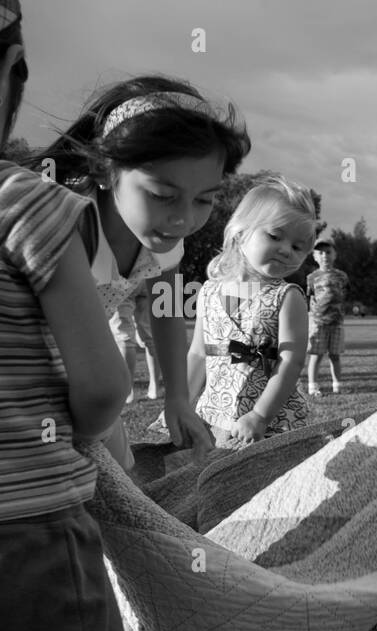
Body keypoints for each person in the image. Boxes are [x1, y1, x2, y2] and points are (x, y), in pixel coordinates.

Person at [0, 0, 141, 631]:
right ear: (14, 81)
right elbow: (100, 387)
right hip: (27, 544)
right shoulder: (27, 203)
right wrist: (85, 434)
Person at [31, 76, 252, 466]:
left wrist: (179, 398)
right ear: (103, 171)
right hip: (29, 382)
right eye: (162, 195)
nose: (184, 219)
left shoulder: (167, 243)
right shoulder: (69, 226)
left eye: (205, 199)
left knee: (124, 480)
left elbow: (166, 311)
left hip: (86, 379)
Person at [188, 175, 313, 446]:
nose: (285, 250)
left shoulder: (287, 297)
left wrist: (260, 415)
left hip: (269, 423)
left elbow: (291, 362)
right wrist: (181, 403)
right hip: (214, 416)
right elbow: (199, 353)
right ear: (241, 232)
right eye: (275, 236)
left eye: (297, 247)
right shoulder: (209, 292)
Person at [305, 237, 348, 395]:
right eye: (320, 253)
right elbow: (310, 298)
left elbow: (344, 294)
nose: (325, 256)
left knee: (335, 355)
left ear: (335, 254)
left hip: (336, 322)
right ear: (315, 256)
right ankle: (312, 385)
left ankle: (337, 384)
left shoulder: (342, 276)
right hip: (318, 322)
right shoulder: (311, 278)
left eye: (328, 252)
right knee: (316, 355)